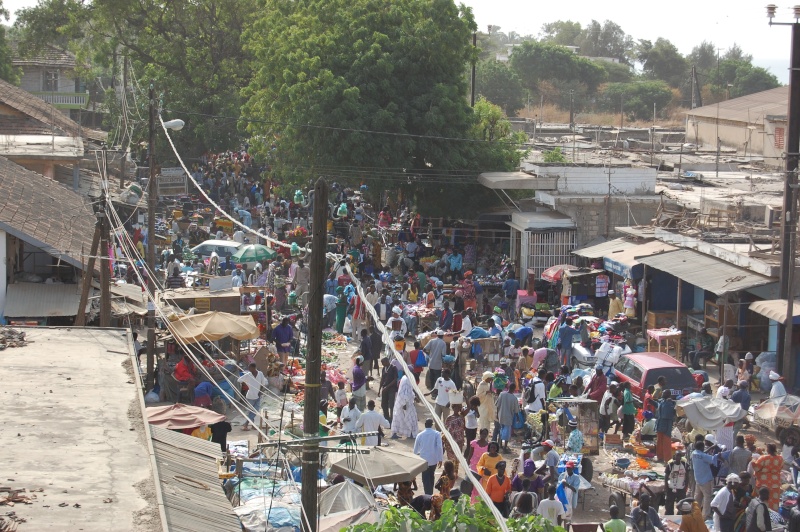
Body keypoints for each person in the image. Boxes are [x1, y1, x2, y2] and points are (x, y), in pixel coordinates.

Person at [413, 419, 444, 495]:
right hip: (433, 459)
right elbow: (440, 447)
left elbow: (415, 449)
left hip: (423, 460)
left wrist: (414, 458)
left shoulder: (420, 435)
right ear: (432, 425)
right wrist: (440, 459)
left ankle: (428, 495)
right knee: (431, 476)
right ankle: (430, 494)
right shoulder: (437, 434)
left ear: (425, 424)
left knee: (425, 478)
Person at [692, 440, 719, 519]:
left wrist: (710, 448)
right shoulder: (704, 456)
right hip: (706, 480)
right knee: (707, 497)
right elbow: (712, 459)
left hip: (698, 479)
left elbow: (702, 454)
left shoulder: (694, 453)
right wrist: (720, 454)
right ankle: (705, 515)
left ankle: (695, 513)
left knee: (697, 497)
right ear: (701, 447)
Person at [237, 363, 268, 431]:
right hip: (250, 396)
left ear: (254, 368)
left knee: (255, 410)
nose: (249, 369)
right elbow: (239, 380)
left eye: (250, 368)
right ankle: (246, 424)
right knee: (252, 411)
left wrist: (260, 392)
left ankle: (250, 424)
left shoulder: (260, 374)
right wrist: (246, 384)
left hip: (258, 395)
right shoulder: (248, 375)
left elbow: (263, 384)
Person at [752, 443, 783, 510]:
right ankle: (773, 515)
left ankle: (762, 513)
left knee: (761, 501)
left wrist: (753, 461)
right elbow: (780, 468)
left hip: (763, 483)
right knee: (774, 501)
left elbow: (756, 468)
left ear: (768, 449)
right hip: (775, 484)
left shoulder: (763, 458)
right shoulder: (780, 458)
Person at [391, 374, 418, 439]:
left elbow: (409, 391)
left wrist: (414, 397)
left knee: (400, 417)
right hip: (405, 402)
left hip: (404, 401)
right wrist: (404, 404)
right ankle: (411, 434)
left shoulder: (405, 378)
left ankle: (408, 433)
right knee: (411, 417)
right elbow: (404, 393)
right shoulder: (406, 380)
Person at [495, 382, 520, 452]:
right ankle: (505, 447)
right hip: (508, 417)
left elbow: (497, 405)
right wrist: (518, 417)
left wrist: (497, 414)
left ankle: (499, 444)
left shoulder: (502, 394)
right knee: (507, 432)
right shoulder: (514, 398)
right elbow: (516, 410)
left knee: (501, 430)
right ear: (514, 389)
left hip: (501, 415)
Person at [443, 401, 466, 475]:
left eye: (458, 407)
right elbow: (445, 429)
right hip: (450, 441)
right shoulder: (449, 418)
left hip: (459, 441)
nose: (457, 409)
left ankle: (455, 472)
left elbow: (464, 428)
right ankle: (450, 472)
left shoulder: (462, 417)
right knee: (451, 457)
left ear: (460, 408)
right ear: (453, 408)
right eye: (455, 407)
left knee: (457, 457)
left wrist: (465, 397)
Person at [664, 450, 689, 515]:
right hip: (671, 488)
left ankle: (679, 518)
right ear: (674, 456)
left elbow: (687, 477)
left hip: (681, 488)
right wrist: (666, 487)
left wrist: (686, 487)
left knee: (681, 505)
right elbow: (666, 477)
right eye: (677, 455)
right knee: (669, 505)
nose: (678, 457)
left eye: (679, 456)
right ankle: (669, 517)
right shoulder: (670, 465)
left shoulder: (685, 465)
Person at [656, 390, 677, 461]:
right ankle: (660, 457)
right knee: (659, 442)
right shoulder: (662, 401)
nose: (662, 394)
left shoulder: (669, 404)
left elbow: (670, 417)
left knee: (666, 443)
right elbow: (657, 404)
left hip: (666, 426)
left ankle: (667, 459)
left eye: (664, 393)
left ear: (668, 395)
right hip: (660, 424)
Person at [378, 357, 399, 424]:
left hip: (392, 388)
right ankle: (386, 418)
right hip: (385, 388)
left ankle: (392, 419)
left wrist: (387, 386)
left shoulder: (393, 368)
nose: (382, 364)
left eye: (383, 363)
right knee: (384, 404)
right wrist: (379, 389)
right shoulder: (384, 369)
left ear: (387, 361)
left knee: (391, 404)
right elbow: (382, 379)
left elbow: (395, 379)